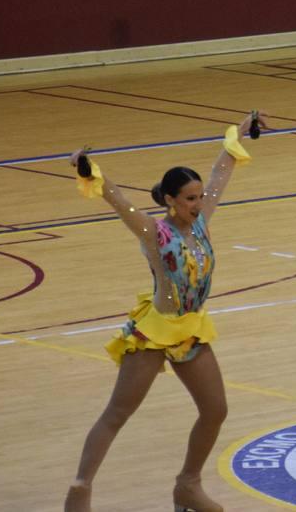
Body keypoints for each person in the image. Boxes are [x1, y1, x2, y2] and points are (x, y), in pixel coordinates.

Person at [63, 111, 265, 512]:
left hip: (190, 331)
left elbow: (222, 169)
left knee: (215, 410)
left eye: (200, 196)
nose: (199, 202)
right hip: (154, 334)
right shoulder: (155, 233)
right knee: (118, 413)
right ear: (171, 201)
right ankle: (79, 491)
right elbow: (119, 202)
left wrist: (238, 134)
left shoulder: (203, 221)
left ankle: (187, 486)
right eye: (190, 198)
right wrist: (90, 171)